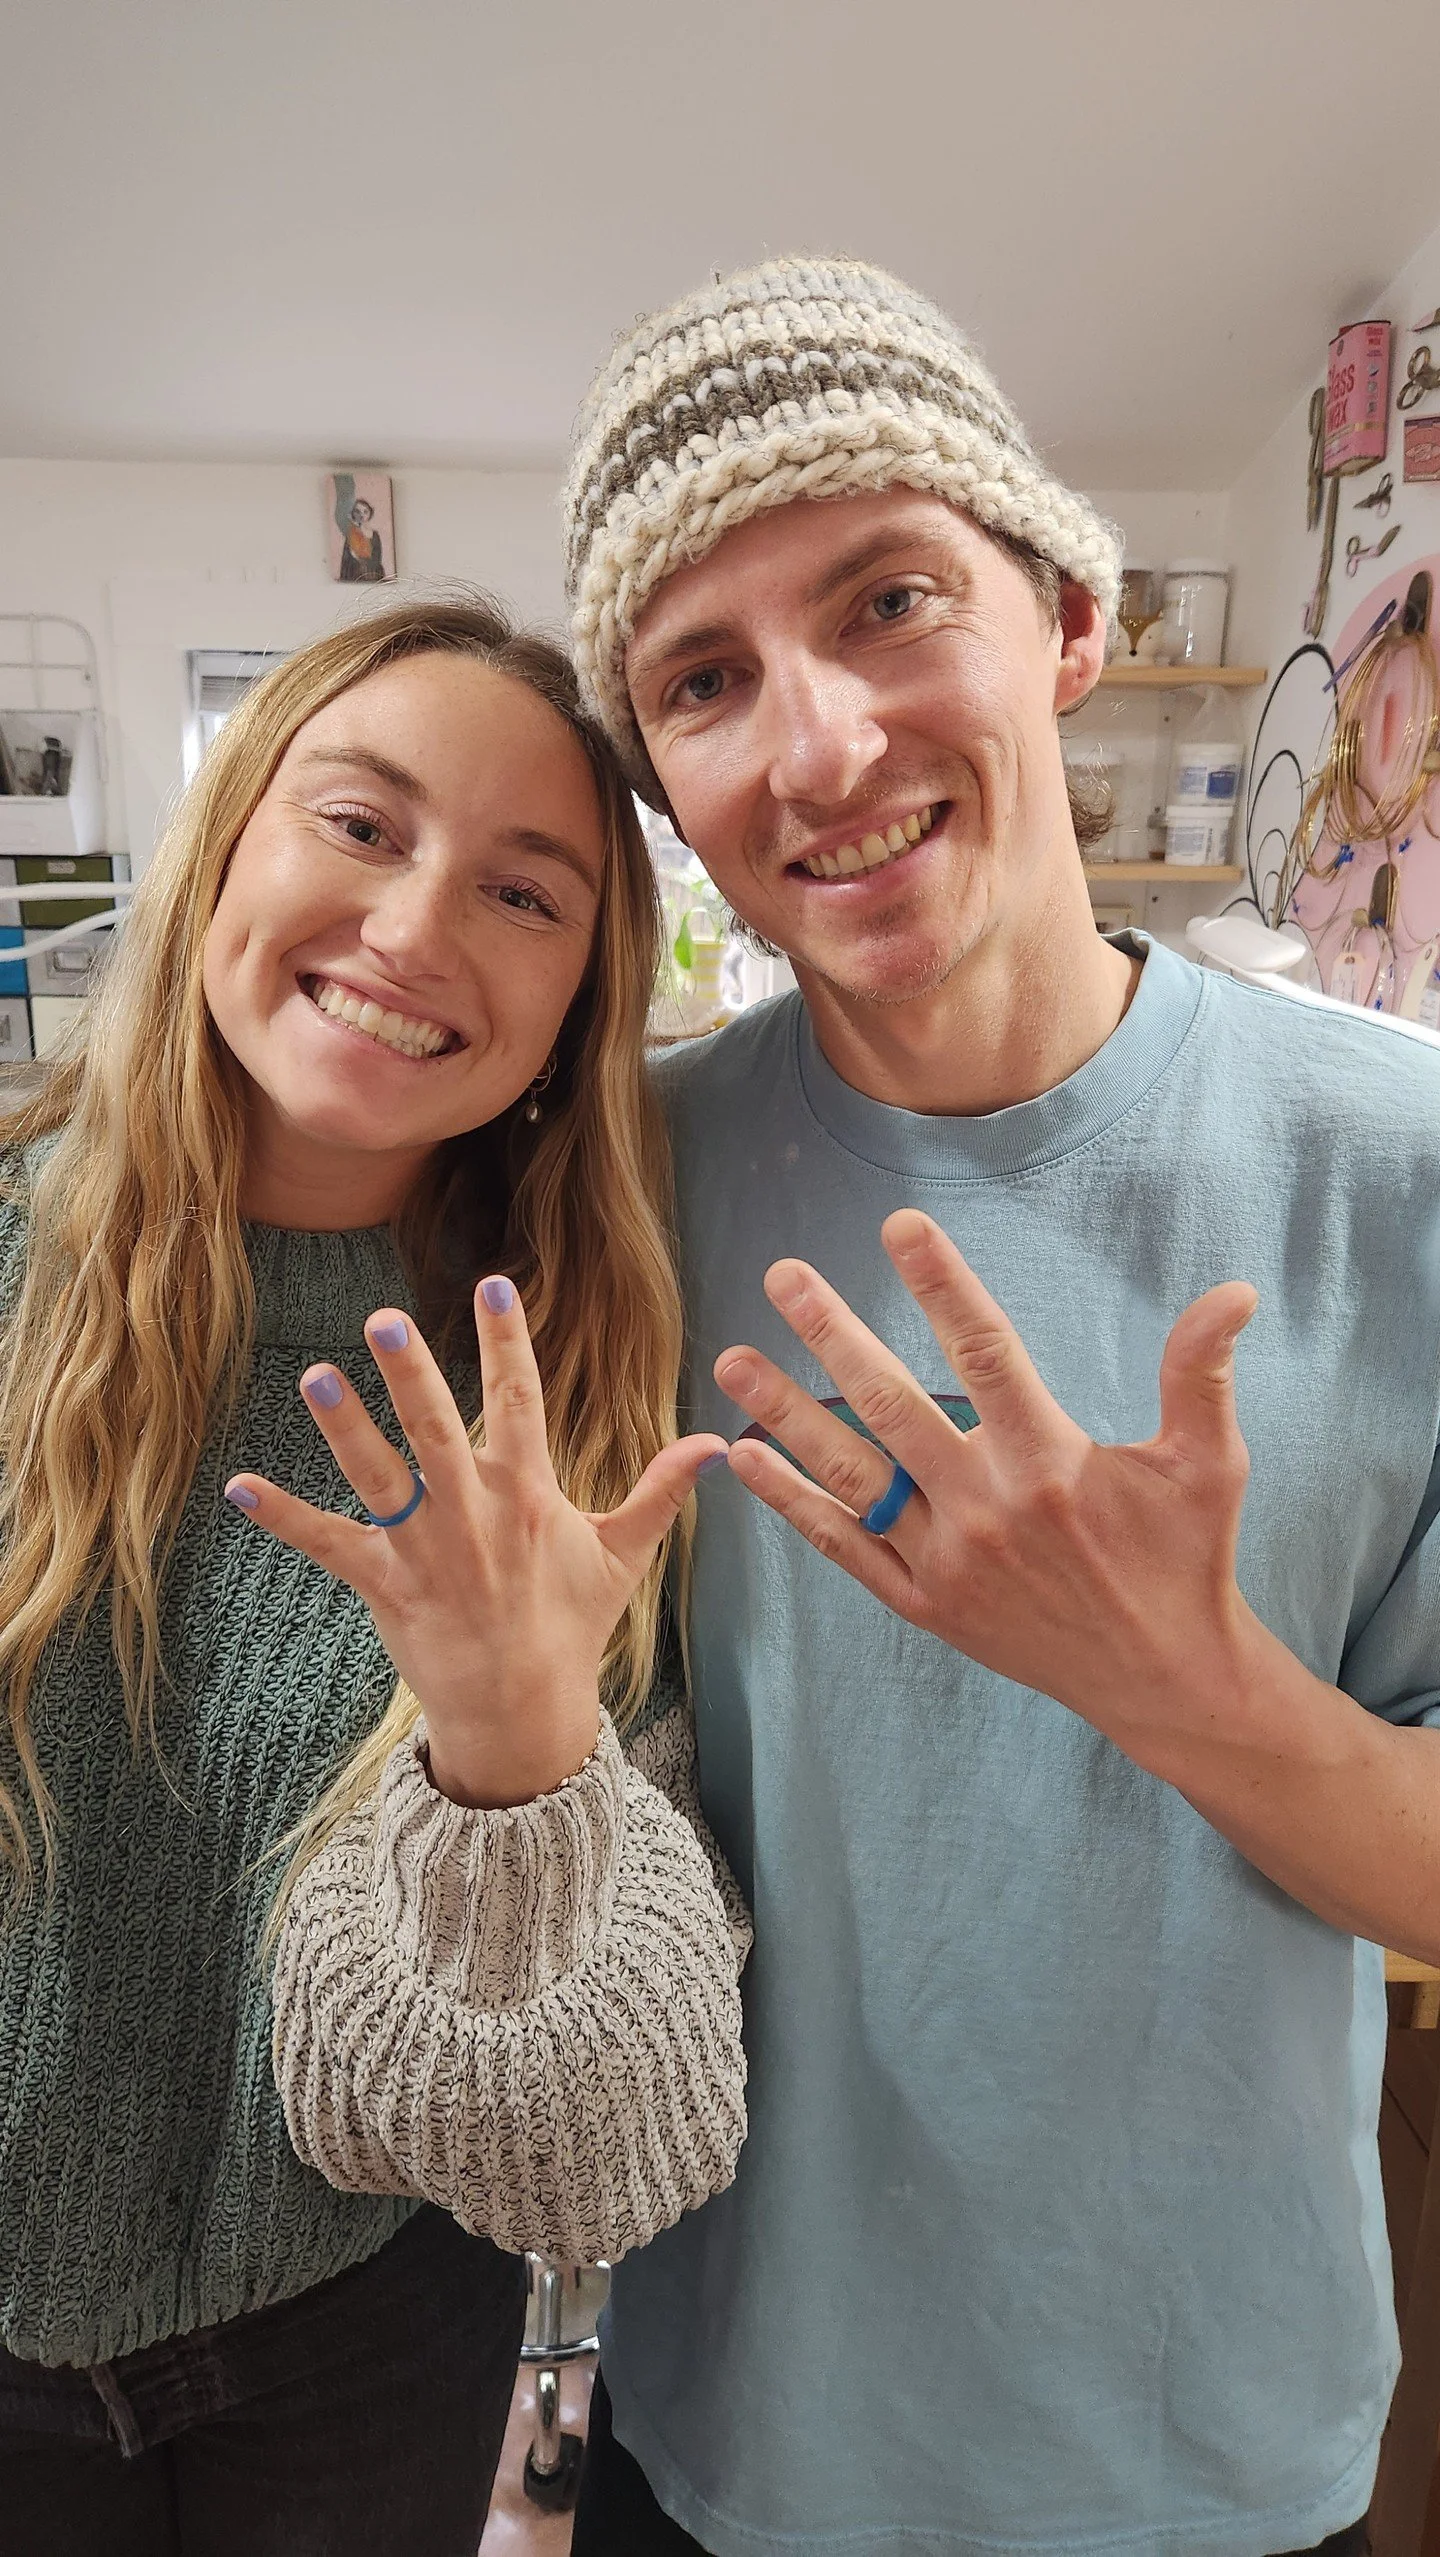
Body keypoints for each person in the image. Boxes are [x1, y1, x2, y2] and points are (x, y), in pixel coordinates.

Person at [275, 260, 1440, 2557]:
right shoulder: (611, 1176)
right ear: (668, 804)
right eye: (703, 682)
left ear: (1072, 622)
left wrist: (1178, 1685)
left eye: (892, 598)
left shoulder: (1393, 1174)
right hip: (717, 2426)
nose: (814, 747)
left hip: (1201, 2440)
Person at [0, 594, 747, 2557]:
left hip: (362, 2338)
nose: (415, 928)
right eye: (359, 823)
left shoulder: (571, 1393)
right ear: (227, 838)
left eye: (526, 893)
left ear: (583, 1002)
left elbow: (589, 2152)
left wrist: (521, 1758)